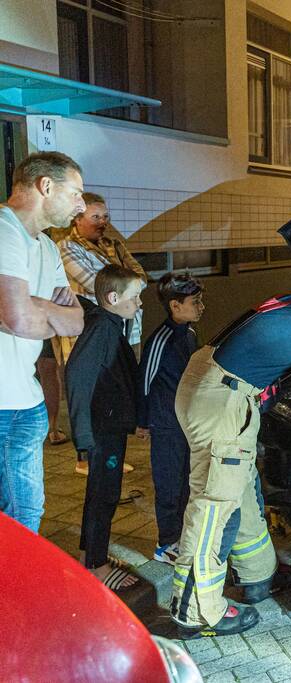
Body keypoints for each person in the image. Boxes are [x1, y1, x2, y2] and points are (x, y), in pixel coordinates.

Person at [170, 285, 291, 639]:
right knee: (215, 506)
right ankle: (195, 611)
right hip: (223, 401)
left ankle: (259, 575)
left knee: (241, 489)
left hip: (209, 384)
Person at [0, 152, 85, 532]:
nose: (81, 205)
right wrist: (47, 311)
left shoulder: (47, 247)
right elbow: (17, 318)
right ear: (46, 186)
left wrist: (38, 308)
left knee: (26, 519)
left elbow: (77, 321)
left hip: (28, 405)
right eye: (76, 194)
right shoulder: (4, 230)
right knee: (18, 524)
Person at [65, 265, 145, 591]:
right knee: (103, 494)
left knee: (102, 492)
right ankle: (95, 567)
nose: (139, 303)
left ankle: (92, 556)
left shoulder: (111, 325)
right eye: (135, 297)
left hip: (108, 425)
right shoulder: (102, 329)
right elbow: (76, 376)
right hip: (102, 430)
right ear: (113, 298)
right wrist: (83, 436)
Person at [58, 193, 146, 475]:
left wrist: (124, 283)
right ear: (78, 218)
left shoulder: (116, 245)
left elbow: (139, 277)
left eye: (105, 216)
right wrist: (124, 281)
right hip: (89, 333)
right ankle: (85, 457)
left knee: (117, 392)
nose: (103, 222)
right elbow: (96, 282)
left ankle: (110, 454)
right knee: (91, 393)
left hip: (127, 331)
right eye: (95, 217)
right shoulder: (67, 247)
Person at [138, 273, 205, 565]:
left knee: (186, 482)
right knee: (168, 482)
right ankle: (165, 543)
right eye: (195, 302)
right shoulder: (161, 339)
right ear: (175, 306)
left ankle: (181, 536)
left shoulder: (189, 334)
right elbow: (144, 380)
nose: (201, 306)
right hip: (165, 423)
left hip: (186, 422)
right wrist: (142, 421)